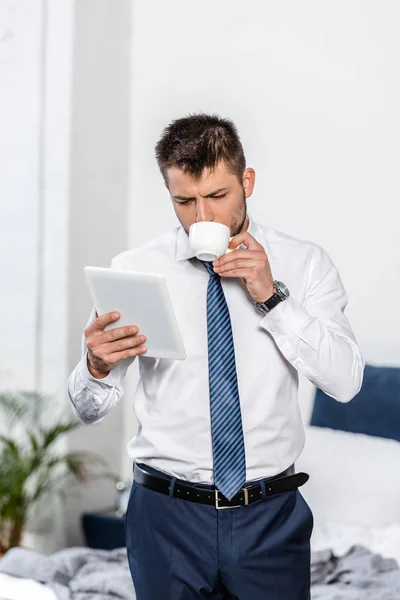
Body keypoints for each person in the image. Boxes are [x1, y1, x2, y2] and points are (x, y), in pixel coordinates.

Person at [67, 113, 365, 599]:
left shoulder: (305, 264)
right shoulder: (135, 270)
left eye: (217, 196)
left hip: (270, 516)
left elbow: (346, 382)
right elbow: (89, 409)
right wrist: (95, 367)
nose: (201, 217)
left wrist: (272, 297)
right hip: (164, 516)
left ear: (246, 182)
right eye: (184, 201)